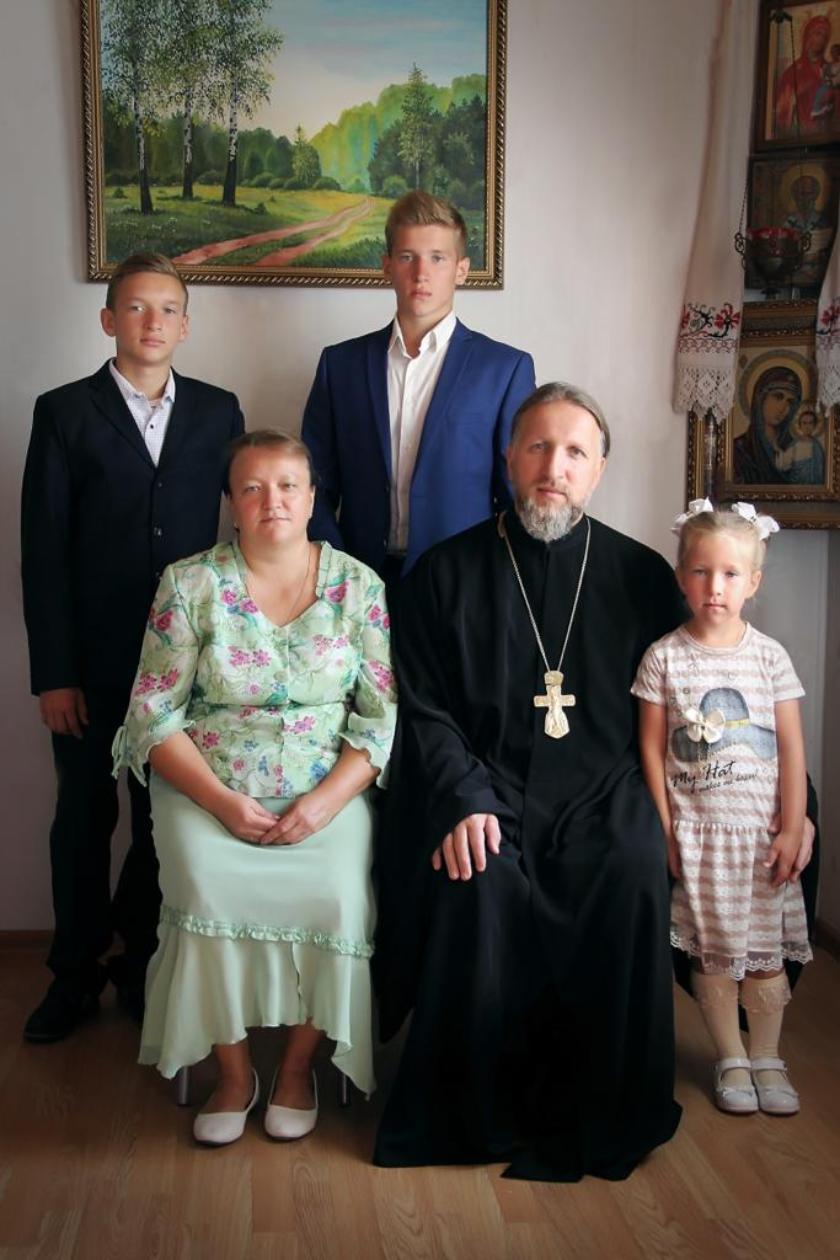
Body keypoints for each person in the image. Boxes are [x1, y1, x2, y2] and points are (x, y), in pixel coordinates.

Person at [373, 381, 690, 1182]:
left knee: (630, 863)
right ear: (509, 457)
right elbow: (422, 707)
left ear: (600, 469)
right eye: (539, 447)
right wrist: (461, 798)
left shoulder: (643, 575)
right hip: (488, 783)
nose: (556, 467)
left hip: (606, 785)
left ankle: (605, 1103)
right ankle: (474, 1111)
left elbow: (676, 704)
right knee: (475, 873)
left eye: (576, 451)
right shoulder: (445, 572)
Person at [112, 430, 397, 1146]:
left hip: (326, 792)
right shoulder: (189, 584)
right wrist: (221, 803)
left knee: (339, 895)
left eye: (289, 485)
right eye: (253, 487)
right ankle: (234, 1074)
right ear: (231, 504)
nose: (274, 501)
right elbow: (152, 712)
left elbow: (380, 717)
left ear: (313, 498)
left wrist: (325, 803)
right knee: (205, 887)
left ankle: (297, 1069)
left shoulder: (359, 586)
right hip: (208, 789)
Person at [21, 253, 244, 1043]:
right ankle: (74, 974)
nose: (153, 322)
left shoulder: (218, 411)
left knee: (166, 819)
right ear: (108, 319)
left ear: (186, 324)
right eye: (137, 307)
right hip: (90, 665)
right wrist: (54, 674)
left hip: (185, 667)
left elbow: (243, 530)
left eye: (168, 309)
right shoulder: (64, 412)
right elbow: (43, 552)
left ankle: (142, 959)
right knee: (83, 817)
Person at [633, 500, 811, 1116]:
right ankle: (730, 1055)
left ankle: (766, 1055)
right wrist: (666, 830)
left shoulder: (770, 657)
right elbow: (651, 750)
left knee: (763, 955)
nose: (715, 587)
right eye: (702, 572)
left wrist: (794, 824)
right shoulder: (663, 657)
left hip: (760, 840)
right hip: (700, 838)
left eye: (731, 574)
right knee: (712, 953)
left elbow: (791, 747)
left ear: (752, 582)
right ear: (681, 577)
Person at [301, 191, 536, 583]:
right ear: (387, 266)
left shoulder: (504, 369)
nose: (421, 273)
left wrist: (492, 581)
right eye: (407, 257)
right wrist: (336, 567)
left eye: (437, 258)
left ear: (461, 269)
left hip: (463, 582)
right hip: (358, 579)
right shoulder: (339, 366)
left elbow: (516, 492)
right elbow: (312, 484)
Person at [733, 365, 801, 486]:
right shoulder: (739, 450)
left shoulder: (796, 448)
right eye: (778, 396)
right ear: (761, 398)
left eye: (790, 402)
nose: (783, 408)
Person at [773, 404, 826, 484]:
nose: (807, 426)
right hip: (797, 486)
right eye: (804, 423)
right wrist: (778, 451)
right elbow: (783, 465)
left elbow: (822, 469)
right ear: (800, 425)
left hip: (815, 487)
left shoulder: (817, 447)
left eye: (810, 423)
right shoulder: (795, 445)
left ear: (815, 425)